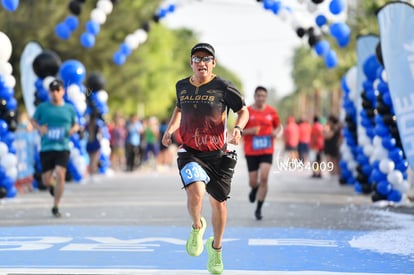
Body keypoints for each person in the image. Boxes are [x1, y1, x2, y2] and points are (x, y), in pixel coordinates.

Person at [161, 42, 249, 274]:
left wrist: (238, 129)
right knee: (196, 192)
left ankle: (216, 249)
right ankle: (197, 227)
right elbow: (179, 109)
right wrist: (170, 130)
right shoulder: (182, 86)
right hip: (190, 151)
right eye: (197, 59)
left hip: (219, 153)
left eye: (206, 59)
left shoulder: (223, 86)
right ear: (191, 63)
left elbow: (243, 111)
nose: (202, 63)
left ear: (213, 63)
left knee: (218, 203)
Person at [30, 79, 79, 217]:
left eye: (58, 90)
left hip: (62, 147)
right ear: (49, 92)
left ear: (63, 91)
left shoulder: (69, 108)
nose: (55, 93)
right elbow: (32, 120)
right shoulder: (43, 108)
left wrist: (72, 130)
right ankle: (52, 186)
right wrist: (40, 128)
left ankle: (56, 205)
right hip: (47, 147)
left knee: (60, 172)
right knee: (46, 179)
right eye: (52, 90)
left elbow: (76, 124)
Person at [242, 86, 280, 220]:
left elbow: (278, 127)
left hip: (266, 150)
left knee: (264, 178)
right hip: (251, 151)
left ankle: (259, 208)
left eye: (263, 96)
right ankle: (254, 188)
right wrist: (250, 131)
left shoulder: (272, 112)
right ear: (254, 96)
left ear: (266, 97)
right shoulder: (247, 112)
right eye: (258, 95)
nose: (260, 98)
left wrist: (275, 133)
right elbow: (238, 130)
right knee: (253, 181)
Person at [85, 111, 102, 182]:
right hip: (95, 143)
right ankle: (93, 175)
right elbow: (100, 135)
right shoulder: (97, 126)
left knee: (90, 160)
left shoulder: (87, 126)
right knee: (94, 161)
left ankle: (90, 175)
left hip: (89, 143)